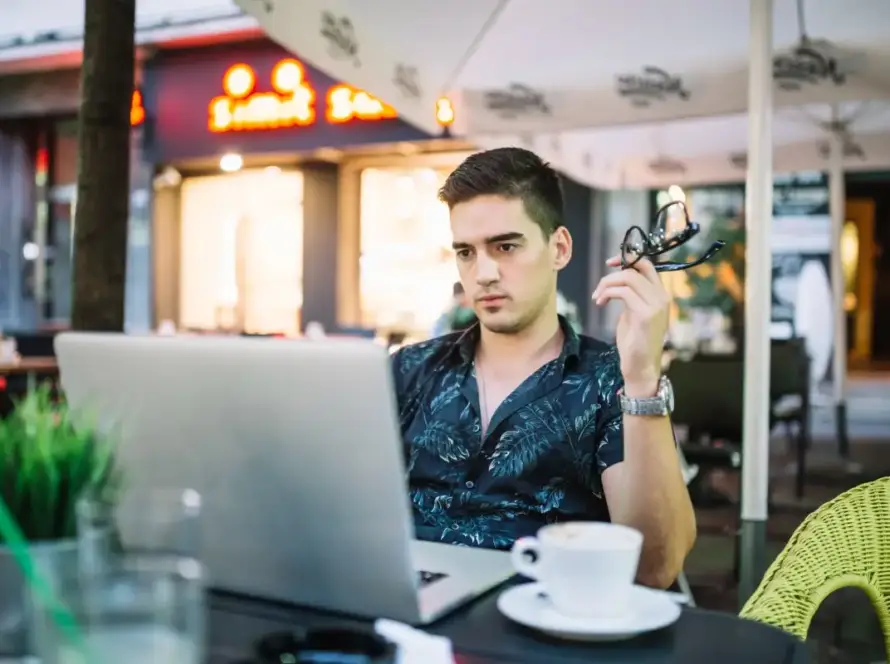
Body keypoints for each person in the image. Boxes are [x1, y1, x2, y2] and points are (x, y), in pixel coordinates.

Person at [391, 147, 695, 588]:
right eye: (466, 252)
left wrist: (643, 378)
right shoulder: (409, 370)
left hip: (540, 613)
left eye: (506, 246)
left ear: (559, 248)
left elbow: (655, 568)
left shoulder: (608, 380)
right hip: (408, 608)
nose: (483, 273)